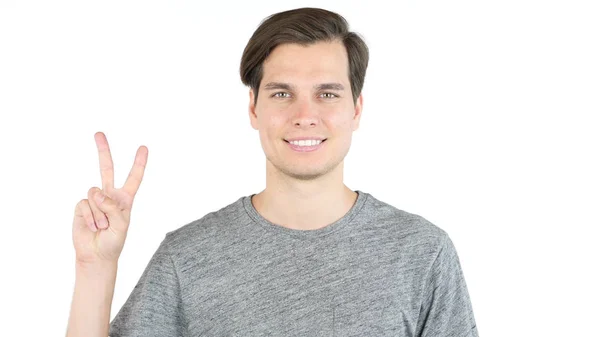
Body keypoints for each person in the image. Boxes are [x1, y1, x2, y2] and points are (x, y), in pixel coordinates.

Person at [66, 7, 478, 337]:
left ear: (355, 109)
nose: (304, 115)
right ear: (253, 108)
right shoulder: (188, 256)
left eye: (327, 93)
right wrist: (94, 269)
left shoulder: (422, 253)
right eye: (282, 93)